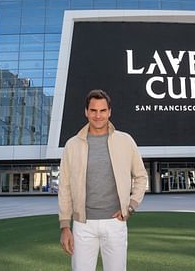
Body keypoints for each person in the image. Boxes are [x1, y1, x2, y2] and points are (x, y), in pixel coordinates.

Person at [58, 89, 148, 271]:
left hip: (116, 223)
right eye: (93, 110)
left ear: (109, 112)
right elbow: (65, 187)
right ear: (86, 112)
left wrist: (130, 206)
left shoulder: (125, 141)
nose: (98, 115)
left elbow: (141, 176)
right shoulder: (72, 145)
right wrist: (65, 226)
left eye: (102, 110)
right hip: (83, 225)